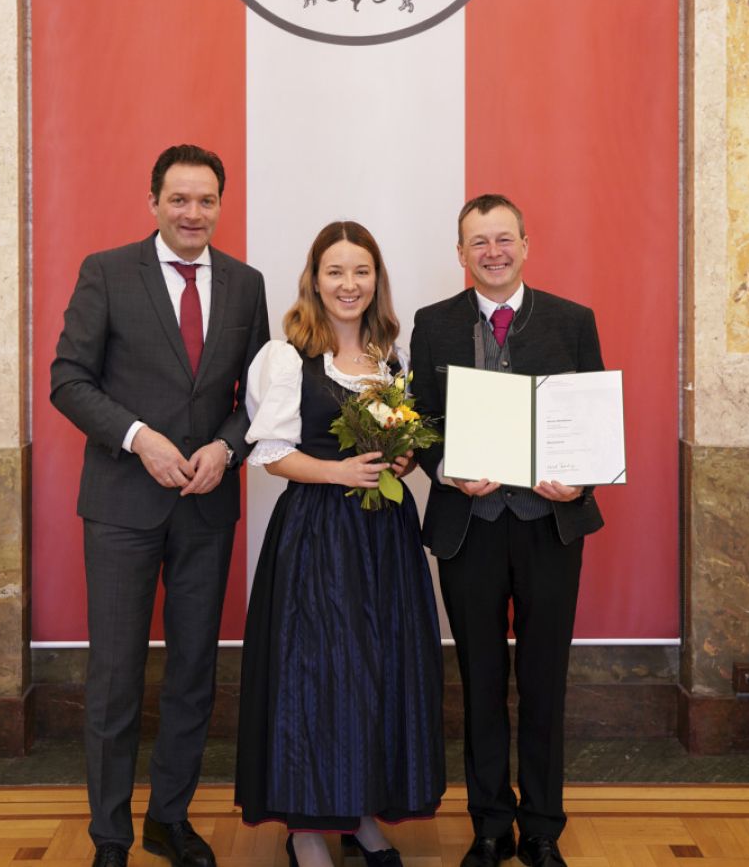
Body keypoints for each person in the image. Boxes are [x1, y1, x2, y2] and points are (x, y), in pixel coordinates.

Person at [51, 144, 269, 867]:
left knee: (193, 671)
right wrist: (139, 438)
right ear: (153, 203)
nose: (192, 213)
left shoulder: (245, 284)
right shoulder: (107, 272)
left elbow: (258, 397)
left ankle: (168, 819)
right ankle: (110, 835)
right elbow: (68, 380)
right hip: (121, 504)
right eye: (179, 199)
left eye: (206, 200)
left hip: (206, 507)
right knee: (115, 676)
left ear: (220, 205)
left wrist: (227, 448)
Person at [235, 221, 445, 867]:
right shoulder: (286, 357)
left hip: (385, 537)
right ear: (315, 280)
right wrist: (338, 472)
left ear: (376, 279)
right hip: (318, 536)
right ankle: (305, 828)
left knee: (378, 672)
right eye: (335, 271)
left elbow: (399, 447)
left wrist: (403, 460)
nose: (349, 284)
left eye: (361, 271)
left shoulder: (391, 358)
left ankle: (361, 815)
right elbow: (270, 454)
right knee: (319, 674)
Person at [409, 194, 604, 867]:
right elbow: (419, 422)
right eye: (478, 242)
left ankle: (542, 826)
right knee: (481, 677)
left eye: (503, 239)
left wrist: (581, 480)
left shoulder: (573, 321)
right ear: (460, 253)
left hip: (550, 525)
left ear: (525, 245)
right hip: (470, 527)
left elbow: (591, 420)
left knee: (545, 679)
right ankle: (491, 823)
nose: (492, 252)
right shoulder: (432, 324)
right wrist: (447, 470)